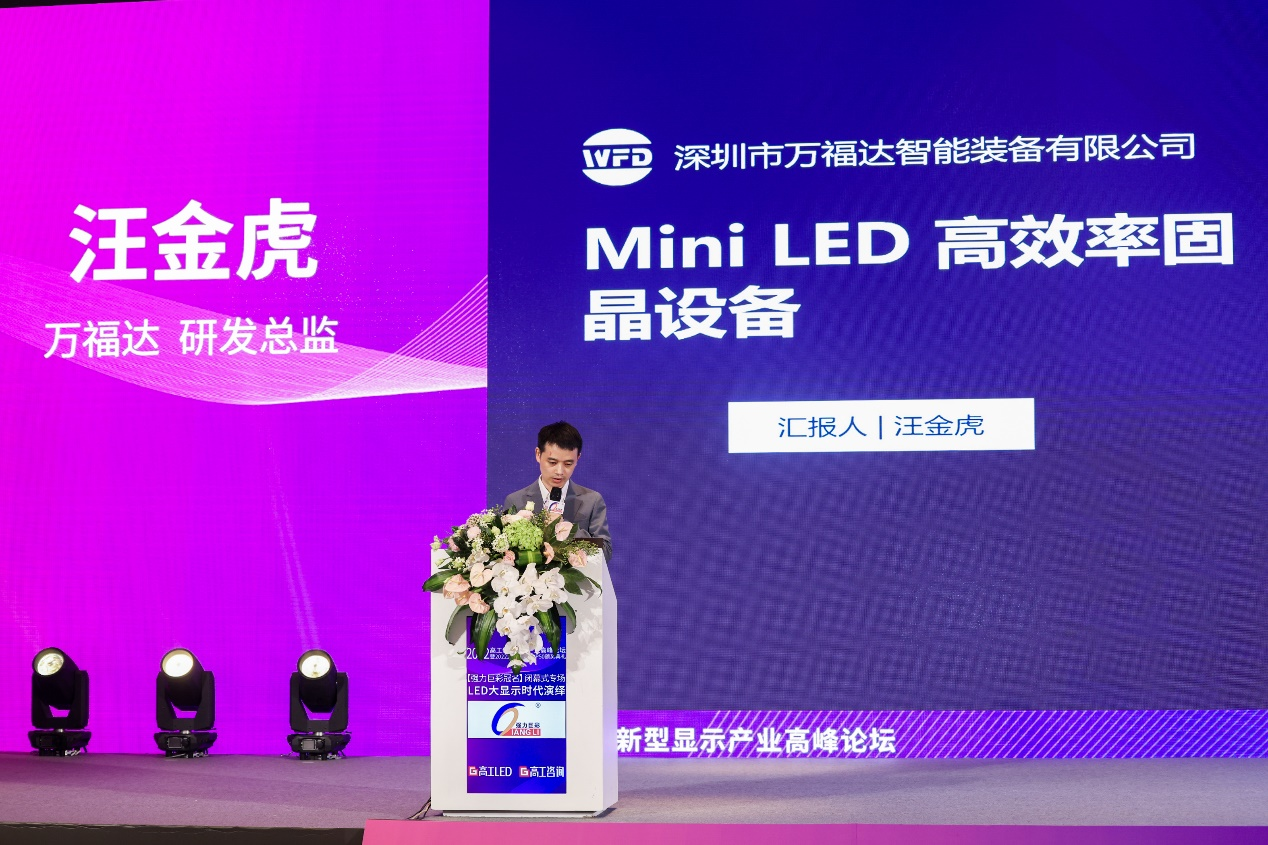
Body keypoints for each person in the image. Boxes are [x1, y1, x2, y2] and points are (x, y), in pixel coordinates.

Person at [503, 421, 613, 562]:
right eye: (552, 462)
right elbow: (506, 554)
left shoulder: (592, 500)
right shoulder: (515, 501)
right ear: (538, 454)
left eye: (568, 464)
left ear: (578, 459)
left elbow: (606, 552)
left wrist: (568, 529)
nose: (560, 471)